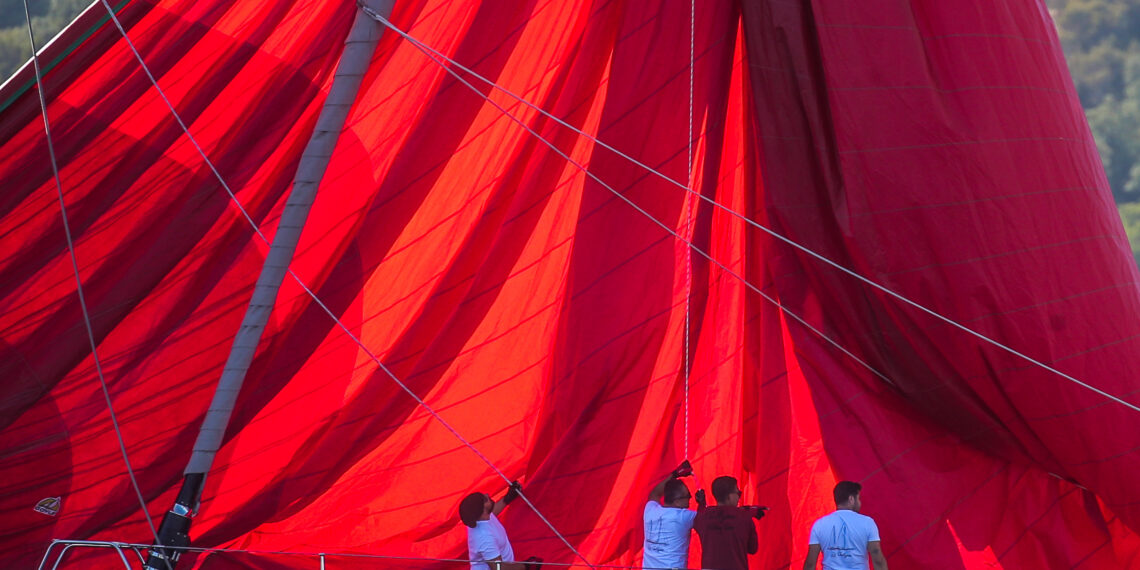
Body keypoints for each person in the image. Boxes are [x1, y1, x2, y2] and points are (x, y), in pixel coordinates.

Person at [804, 481, 888, 570]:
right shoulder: (867, 523)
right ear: (851, 499)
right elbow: (878, 560)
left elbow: (810, 564)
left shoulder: (819, 525)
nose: (860, 503)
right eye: (858, 498)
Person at [459, 482, 542, 570]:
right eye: (484, 499)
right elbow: (498, 567)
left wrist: (507, 498)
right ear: (482, 512)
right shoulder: (485, 539)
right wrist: (527, 566)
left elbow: (492, 513)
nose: (487, 495)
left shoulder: (480, 518)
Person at [693, 475, 765, 570]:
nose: (739, 496)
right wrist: (746, 513)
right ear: (729, 497)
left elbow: (700, 517)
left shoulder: (703, 516)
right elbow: (753, 548)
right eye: (738, 493)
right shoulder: (745, 517)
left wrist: (701, 504)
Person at [643, 460, 704, 569]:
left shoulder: (650, 510)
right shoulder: (683, 516)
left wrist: (675, 474)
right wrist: (702, 503)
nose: (690, 499)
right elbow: (704, 520)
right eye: (687, 496)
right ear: (676, 501)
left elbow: (655, 493)